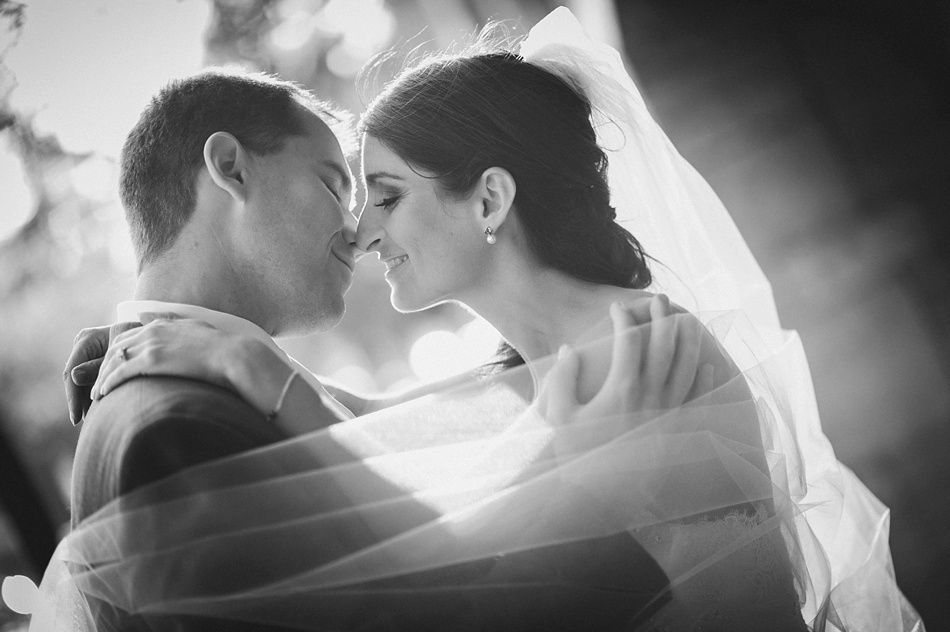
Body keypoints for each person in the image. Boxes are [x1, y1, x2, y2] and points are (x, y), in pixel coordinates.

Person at [50, 7, 922, 632]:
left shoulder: (643, 353)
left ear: (490, 198)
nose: (360, 227)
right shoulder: (172, 415)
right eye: (340, 185)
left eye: (383, 193)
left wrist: (273, 381)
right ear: (230, 172)